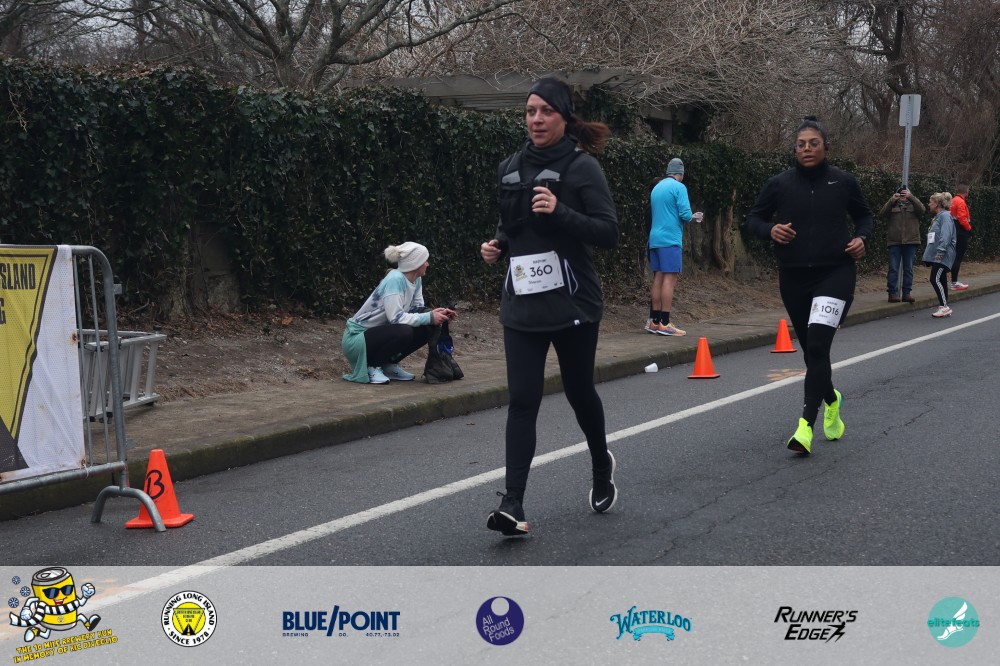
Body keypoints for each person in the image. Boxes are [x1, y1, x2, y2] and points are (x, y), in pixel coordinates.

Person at [479, 76, 619, 536]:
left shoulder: (582, 168)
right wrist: (497, 245)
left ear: (564, 117)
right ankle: (513, 503)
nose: (536, 119)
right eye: (530, 111)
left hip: (573, 303)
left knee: (579, 392)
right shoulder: (510, 167)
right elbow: (510, 225)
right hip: (523, 304)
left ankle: (600, 464)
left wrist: (561, 211)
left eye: (546, 111)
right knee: (522, 400)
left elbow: (608, 232)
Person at [747, 116, 873, 455]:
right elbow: (753, 219)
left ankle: (805, 427)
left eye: (813, 143)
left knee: (817, 346)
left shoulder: (844, 182)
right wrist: (770, 230)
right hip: (794, 277)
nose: (807, 149)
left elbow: (865, 216)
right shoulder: (779, 184)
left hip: (836, 274)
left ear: (826, 147)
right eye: (801, 144)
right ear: (794, 149)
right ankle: (832, 399)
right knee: (811, 352)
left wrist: (862, 238)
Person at [341, 242, 456, 384]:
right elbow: (395, 318)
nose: (428, 264)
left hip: (380, 333)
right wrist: (429, 316)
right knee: (404, 331)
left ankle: (388, 364)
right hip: (356, 339)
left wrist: (437, 314)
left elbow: (417, 310)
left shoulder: (416, 279)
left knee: (427, 327)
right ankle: (372, 366)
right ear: (416, 263)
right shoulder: (395, 279)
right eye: (425, 260)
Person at [645, 158, 703, 336]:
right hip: (670, 239)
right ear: (681, 173)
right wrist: (694, 217)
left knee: (658, 278)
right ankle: (665, 322)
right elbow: (685, 214)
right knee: (669, 280)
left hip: (654, 239)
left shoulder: (657, 188)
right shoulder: (679, 187)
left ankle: (654, 321)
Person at [880, 184, 925, 302]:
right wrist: (892, 200)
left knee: (908, 268)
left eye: (905, 194)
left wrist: (911, 197)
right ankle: (892, 293)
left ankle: (906, 293)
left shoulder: (914, 205)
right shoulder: (893, 205)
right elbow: (882, 213)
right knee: (893, 268)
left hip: (910, 241)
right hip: (894, 242)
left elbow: (922, 210)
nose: (903, 196)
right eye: (901, 194)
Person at [922, 192, 957, 318]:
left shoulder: (945, 216)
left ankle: (944, 307)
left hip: (943, 254)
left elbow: (946, 235)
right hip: (940, 253)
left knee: (934, 278)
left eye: (930, 202)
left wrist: (941, 251)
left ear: (936, 204)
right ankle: (944, 306)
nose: (928, 204)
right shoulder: (939, 217)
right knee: (941, 279)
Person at [949, 183, 972, 290]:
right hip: (961, 233)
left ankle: (952, 281)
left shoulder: (953, 200)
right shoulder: (961, 202)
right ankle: (954, 282)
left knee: (953, 257)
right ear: (966, 191)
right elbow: (962, 219)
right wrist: (969, 229)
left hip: (953, 231)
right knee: (958, 257)